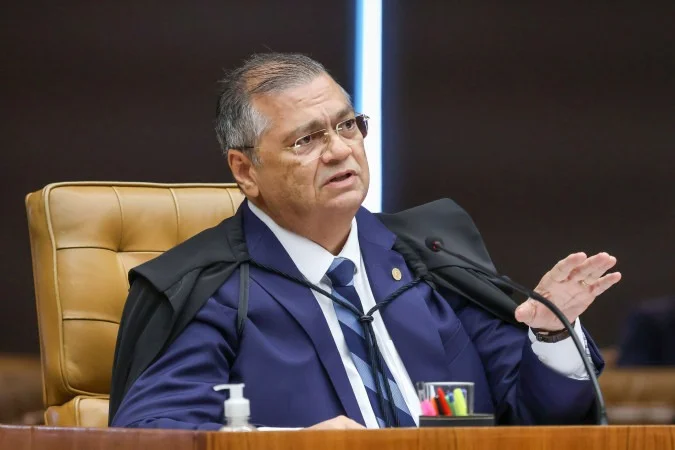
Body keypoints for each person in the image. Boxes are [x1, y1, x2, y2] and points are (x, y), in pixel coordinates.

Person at [109, 53, 622, 430]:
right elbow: (152, 431)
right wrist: (288, 445)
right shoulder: (208, 288)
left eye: (347, 126)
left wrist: (551, 336)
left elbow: (533, 418)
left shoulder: (429, 258)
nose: (339, 150)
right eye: (307, 139)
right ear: (245, 170)